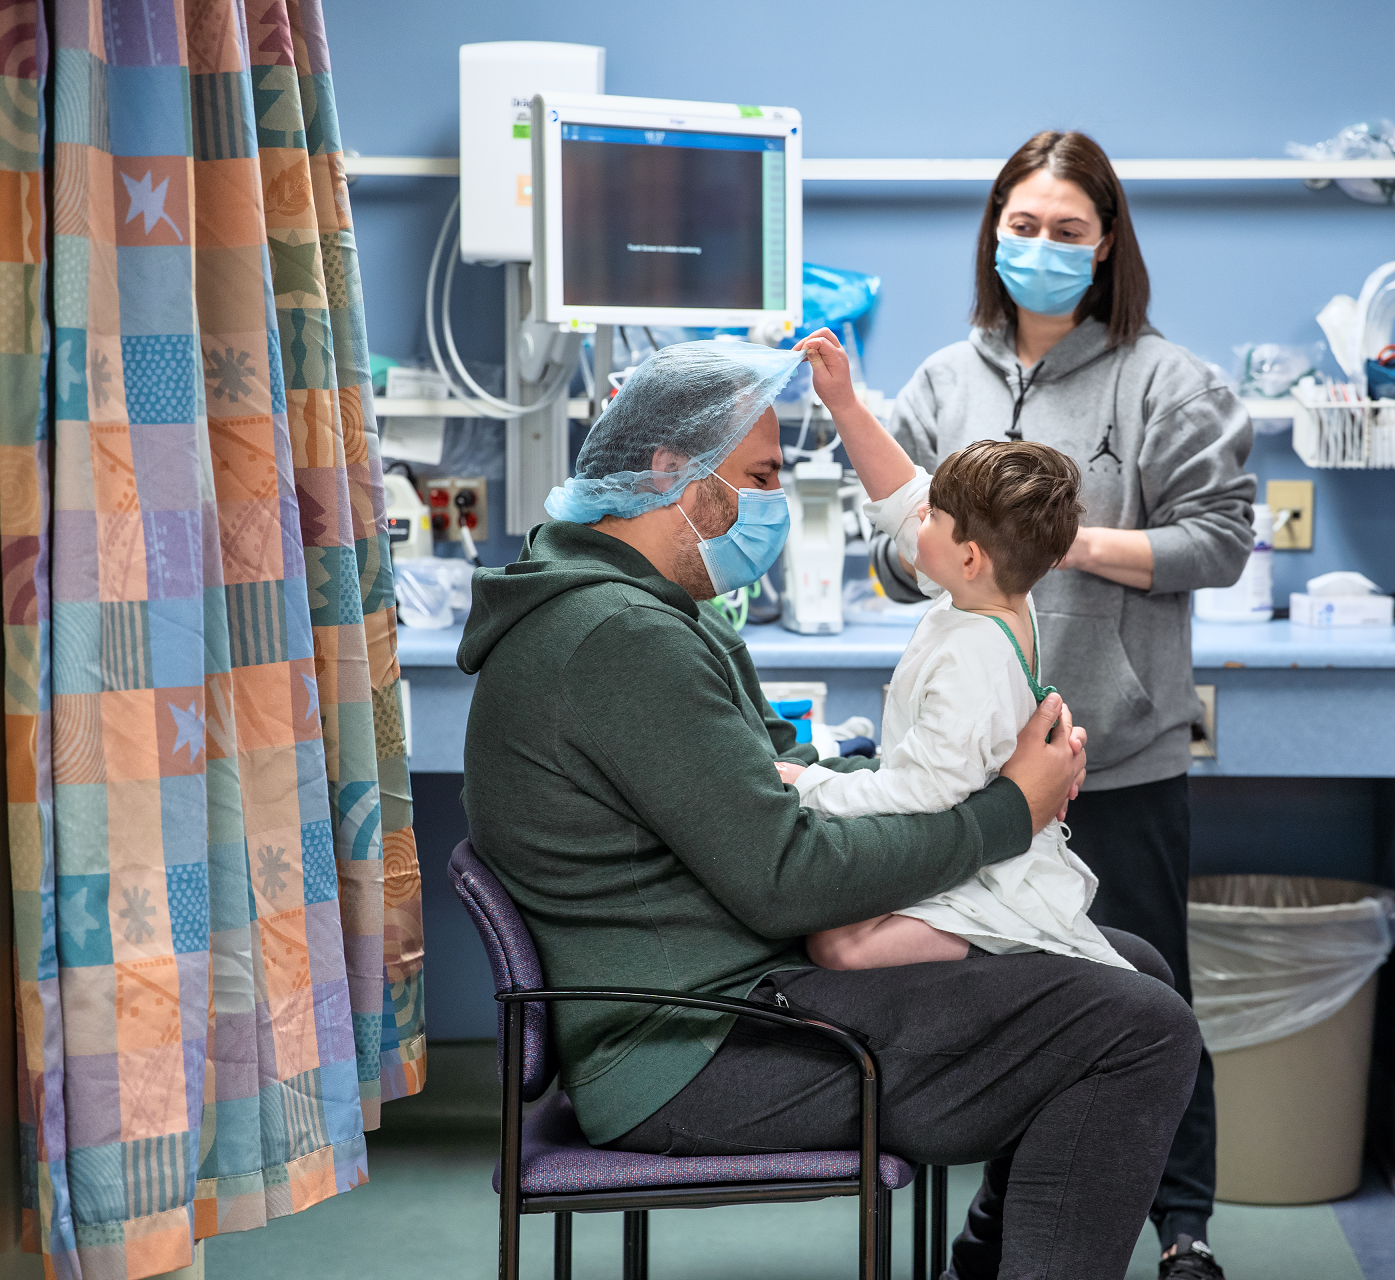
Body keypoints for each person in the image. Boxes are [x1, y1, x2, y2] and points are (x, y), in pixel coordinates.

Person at [459, 339, 1204, 1280]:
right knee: (1141, 1025)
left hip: (723, 993)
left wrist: (877, 767)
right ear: (674, 476)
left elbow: (764, 767)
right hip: (692, 1047)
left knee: (1120, 964)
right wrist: (1010, 811)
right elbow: (785, 882)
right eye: (761, 476)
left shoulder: (654, 609)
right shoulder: (618, 639)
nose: (776, 501)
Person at [868, 130, 1256, 1278]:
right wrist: (920, 546)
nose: (1041, 246)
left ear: (1107, 243)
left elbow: (1222, 541)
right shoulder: (942, 382)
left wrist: (1060, 539)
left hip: (1117, 758)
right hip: (980, 777)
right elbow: (896, 553)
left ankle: (1184, 1229)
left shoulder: (1170, 382)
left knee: (1147, 997)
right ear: (996, 233)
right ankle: (1006, 1227)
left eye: (1067, 230)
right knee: (1016, 1008)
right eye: (1023, 225)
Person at [783, 328, 1127, 973]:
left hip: (990, 870)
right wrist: (846, 406)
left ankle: (1008, 950)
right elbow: (902, 494)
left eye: (933, 515)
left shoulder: (971, 656)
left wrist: (812, 787)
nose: (918, 518)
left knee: (838, 945)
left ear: (968, 556)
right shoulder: (996, 595)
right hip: (979, 822)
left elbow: (921, 791)